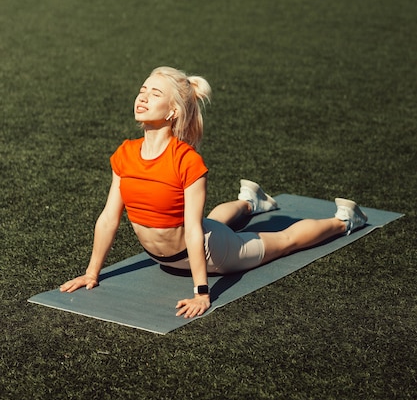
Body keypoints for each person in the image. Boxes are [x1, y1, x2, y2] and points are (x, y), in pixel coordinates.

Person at [60, 66, 368, 319]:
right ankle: (250, 203)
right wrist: (91, 273)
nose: (142, 98)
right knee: (213, 222)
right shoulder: (125, 153)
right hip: (164, 258)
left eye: (155, 94)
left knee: (283, 242)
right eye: (142, 90)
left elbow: (194, 230)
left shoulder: (186, 161)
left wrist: (202, 292)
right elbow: (108, 218)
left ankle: (345, 220)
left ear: (173, 111)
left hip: (212, 254)